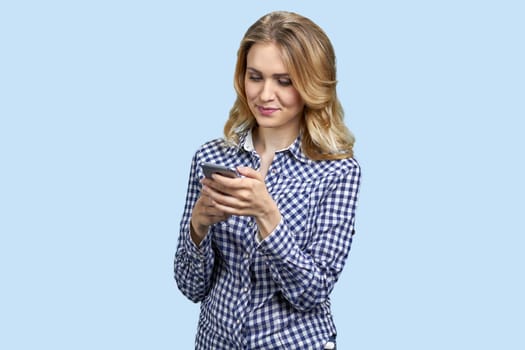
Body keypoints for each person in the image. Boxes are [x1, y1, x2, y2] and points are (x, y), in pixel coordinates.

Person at [174, 10, 361, 349]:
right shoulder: (210, 157)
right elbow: (190, 287)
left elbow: (312, 292)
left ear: (311, 84)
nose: (264, 94)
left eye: (284, 81)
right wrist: (197, 228)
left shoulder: (338, 171)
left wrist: (267, 216)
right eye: (255, 77)